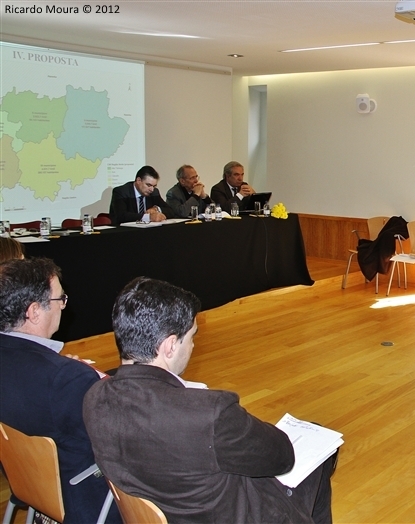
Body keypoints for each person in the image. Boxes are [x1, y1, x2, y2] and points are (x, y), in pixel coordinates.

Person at [83, 277, 336, 524]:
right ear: (170, 346)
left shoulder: (94, 398)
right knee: (321, 447)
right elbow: (282, 457)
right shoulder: (209, 414)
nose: (193, 346)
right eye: (191, 336)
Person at [0, 258, 120, 524]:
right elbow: (117, 440)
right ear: (34, 312)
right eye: (60, 299)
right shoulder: (66, 379)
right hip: (84, 503)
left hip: (29, 485)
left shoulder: (59, 374)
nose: (64, 306)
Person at [109, 165, 174, 225]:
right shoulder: (122, 192)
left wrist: (156, 209)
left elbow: (171, 211)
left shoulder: (154, 193)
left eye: (154, 186)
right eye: (148, 185)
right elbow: (121, 216)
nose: (152, 189)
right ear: (138, 180)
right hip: (125, 231)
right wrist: (148, 217)